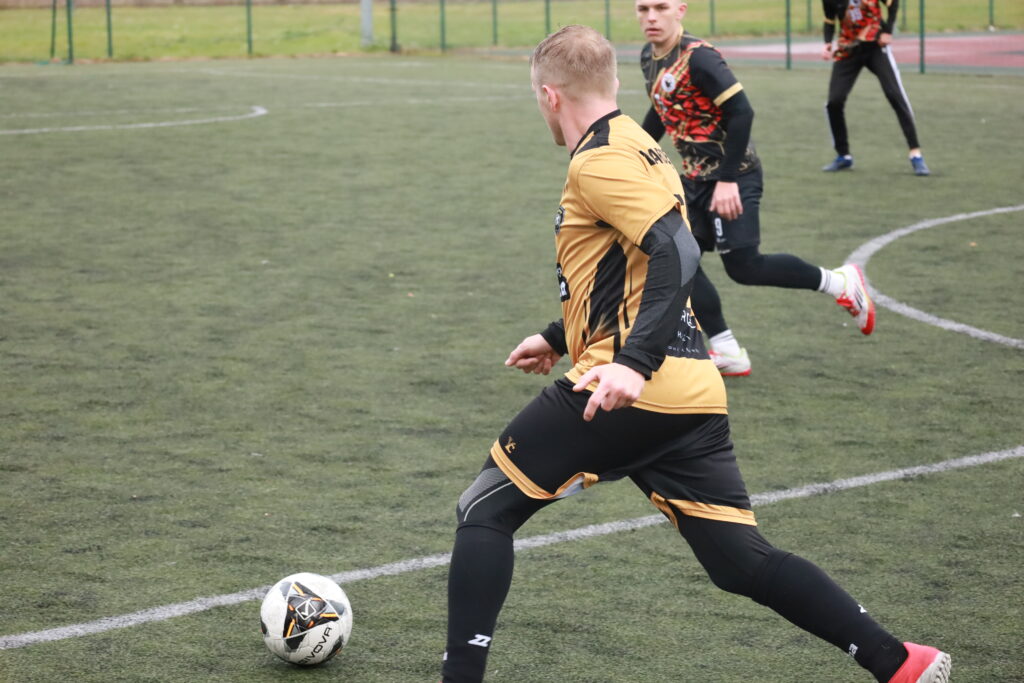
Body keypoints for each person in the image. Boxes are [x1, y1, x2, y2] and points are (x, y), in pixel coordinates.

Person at [439, 24, 950, 683]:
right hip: (692, 388)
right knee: (740, 560)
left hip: (628, 385)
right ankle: (898, 661)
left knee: (484, 508)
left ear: (549, 95)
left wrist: (632, 363)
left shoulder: (597, 162)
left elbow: (678, 252)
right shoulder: (641, 144)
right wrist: (558, 334)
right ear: (614, 83)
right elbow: (624, 270)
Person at [636, 0, 874, 379]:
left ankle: (840, 282)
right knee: (679, 258)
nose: (651, 16)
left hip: (735, 175)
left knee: (744, 267)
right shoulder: (649, 57)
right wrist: (632, 151)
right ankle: (727, 349)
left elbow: (742, 111)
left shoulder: (699, 58)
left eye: (660, 7)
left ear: (680, 10)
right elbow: (662, 110)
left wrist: (728, 180)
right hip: (694, 180)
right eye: (642, 8)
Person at [821, 0, 930, 175]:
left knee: (894, 94)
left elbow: (893, 3)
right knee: (834, 101)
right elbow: (829, 20)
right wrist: (827, 42)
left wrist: (888, 31)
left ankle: (916, 154)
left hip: (875, 46)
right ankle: (843, 156)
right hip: (848, 49)